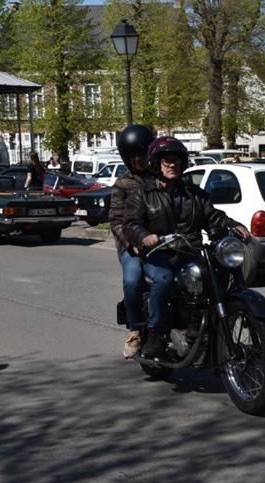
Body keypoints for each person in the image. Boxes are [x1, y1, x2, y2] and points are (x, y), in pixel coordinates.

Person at [122, 136, 251, 360]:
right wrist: (144, 236)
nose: (172, 165)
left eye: (177, 160)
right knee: (163, 278)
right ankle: (156, 333)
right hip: (158, 254)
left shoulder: (194, 194)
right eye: (167, 161)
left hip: (189, 252)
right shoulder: (141, 195)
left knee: (215, 275)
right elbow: (131, 224)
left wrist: (232, 225)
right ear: (156, 164)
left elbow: (213, 216)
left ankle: (206, 329)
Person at [109, 124, 155, 359]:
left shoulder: (163, 177)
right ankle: (135, 329)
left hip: (162, 243)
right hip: (134, 246)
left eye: (142, 153)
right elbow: (116, 220)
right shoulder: (123, 184)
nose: (138, 159)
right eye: (132, 155)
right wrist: (131, 243)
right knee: (132, 279)